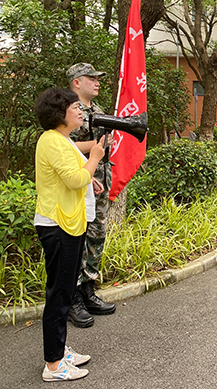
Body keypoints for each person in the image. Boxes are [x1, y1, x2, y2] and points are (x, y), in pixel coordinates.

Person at [34, 88, 106, 381]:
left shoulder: (61, 140)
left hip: (68, 223)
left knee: (63, 290)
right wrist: (96, 158)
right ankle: (53, 365)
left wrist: (93, 182)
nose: (80, 111)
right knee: (60, 294)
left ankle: (60, 350)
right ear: (58, 113)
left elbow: (76, 176)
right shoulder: (52, 141)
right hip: (58, 226)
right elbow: (77, 179)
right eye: (74, 107)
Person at [67, 63, 116, 328]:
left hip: (100, 180)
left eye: (98, 78)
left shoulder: (97, 111)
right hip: (79, 182)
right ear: (76, 82)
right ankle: (72, 297)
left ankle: (88, 289)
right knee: (78, 237)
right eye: (91, 78)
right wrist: (97, 147)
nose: (97, 82)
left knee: (97, 234)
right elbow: (63, 145)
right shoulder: (68, 110)